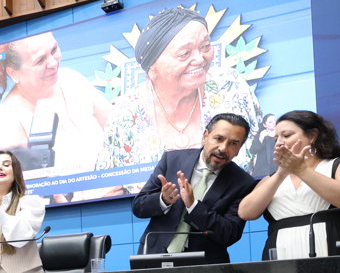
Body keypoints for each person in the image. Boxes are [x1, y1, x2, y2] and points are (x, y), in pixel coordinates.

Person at [97, 6, 261, 170]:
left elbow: (263, 153)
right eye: (184, 53)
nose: (199, 59)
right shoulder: (123, 117)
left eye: (205, 46)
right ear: (152, 67)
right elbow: (106, 182)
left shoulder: (232, 87)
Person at [132, 113, 257, 263]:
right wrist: (163, 200)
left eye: (233, 144)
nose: (223, 148)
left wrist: (193, 206)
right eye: (219, 139)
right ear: (205, 136)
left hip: (205, 266)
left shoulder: (243, 183)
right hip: (155, 255)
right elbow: (138, 207)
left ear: (239, 149)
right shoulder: (172, 160)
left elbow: (229, 234)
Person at [0, 32, 111, 174]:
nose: (53, 63)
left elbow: (114, 125)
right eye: (40, 60)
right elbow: (17, 186)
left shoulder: (71, 78)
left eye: (54, 50)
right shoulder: (6, 123)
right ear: (14, 73)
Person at [238, 110, 340, 259]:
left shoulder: (334, 165)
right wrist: (281, 174)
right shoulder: (272, 178)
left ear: (312, 135)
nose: (279, 142)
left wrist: (301, 170)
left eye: (286, 135)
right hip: (280, 258)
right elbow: (245, 212)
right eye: (276, 138)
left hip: (330, 251)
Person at [250, 113, 278, 177]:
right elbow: (253, 150)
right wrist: (261, 138)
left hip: (277, 170)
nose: (274, 123)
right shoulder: (260, 135)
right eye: (270, 122)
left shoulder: (281, 135)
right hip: (262, 171)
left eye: (274, 120)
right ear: (264, 125)